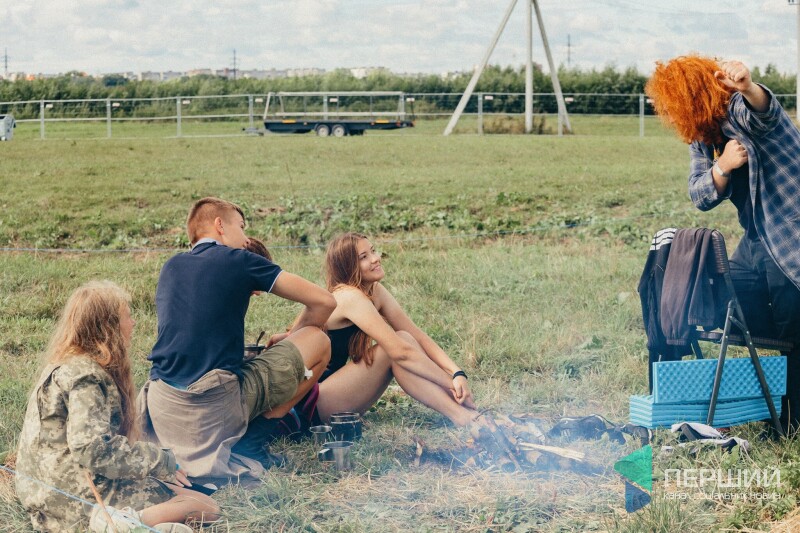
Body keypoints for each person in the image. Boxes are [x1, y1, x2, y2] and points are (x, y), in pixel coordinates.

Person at [645, 55, 800, 430]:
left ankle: (791, 421)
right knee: (712, 295)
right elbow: (699, 194)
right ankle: (685, 397)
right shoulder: (703, 137)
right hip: (756, 240)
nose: (671, 116)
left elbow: (765, 112)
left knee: (794, 331)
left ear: (690, 98)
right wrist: (723, 166)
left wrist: (748, 87)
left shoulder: (740, 111)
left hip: (791, 237)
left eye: (673, 106)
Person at [139, 197, 335, 482]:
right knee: (320, 342)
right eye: (242, 227)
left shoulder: (171, 266)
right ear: (220, 225)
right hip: (213, 408)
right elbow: (324, 301)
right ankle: (254, 439)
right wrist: (295, 337)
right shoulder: (240, 260)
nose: (245, 239)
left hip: (163, 408)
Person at [15, 280, 219, 532]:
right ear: (108, 326)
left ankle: (133, 519)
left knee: (176, 490)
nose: (133, 323)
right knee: (206, 506)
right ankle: (126, 524)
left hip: (42, 492)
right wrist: (160, 460)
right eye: (127, 316)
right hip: (74, 501)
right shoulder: (86, 376)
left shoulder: (65, 363)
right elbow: (92, 449)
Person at [287, 232, 488, 430]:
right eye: (363, 257)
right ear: (348, 266)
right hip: (307, 404)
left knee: (405, 337)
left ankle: (466, 415)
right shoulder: (347, 296)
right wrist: (450, 383)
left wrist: (456, 372)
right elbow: (400, 352)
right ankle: (464, 418)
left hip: (332, 393)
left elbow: (415, 335)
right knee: (391, 352)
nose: (375, 258)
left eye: (373, 251)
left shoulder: (373, 290)